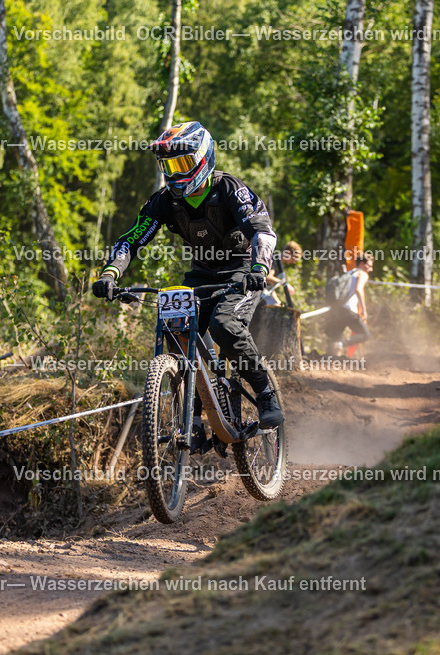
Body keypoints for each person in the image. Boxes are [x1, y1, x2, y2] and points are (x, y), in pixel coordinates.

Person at [91, 121, 283, 429]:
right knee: (174, 327)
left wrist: (260, 269)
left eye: (183, 163)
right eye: (170, 165)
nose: (176, 173)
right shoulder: (164, 201)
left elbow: (263, 232)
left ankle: (264, 392)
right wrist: (110, 273)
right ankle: (193, 410)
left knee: (224, 325)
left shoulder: (230, 189)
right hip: (202, 275)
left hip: (242, 273)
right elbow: (132, 238)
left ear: (204, 158)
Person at [326, 252, 373, 356]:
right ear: (361, 264)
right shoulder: (362, 274)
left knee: (335, 338)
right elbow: (358, 289)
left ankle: (330, 358)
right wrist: (364, 310)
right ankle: (340, 344)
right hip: (348, 310)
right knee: (365, 334)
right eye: (369, 266)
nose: (371, 269)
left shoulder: (350, 272)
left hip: (338, 309)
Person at [263, 240, 301, 306]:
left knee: (278, 306)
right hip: (256, 291)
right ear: (288, 253)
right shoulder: (275, 259)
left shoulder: (280, 265)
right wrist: (285, 284)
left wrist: (278, 302)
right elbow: (268, 277)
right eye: (294, 258)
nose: (294, 262)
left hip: (264, 291)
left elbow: (270, 288)